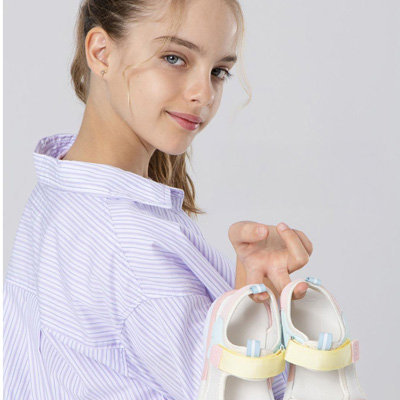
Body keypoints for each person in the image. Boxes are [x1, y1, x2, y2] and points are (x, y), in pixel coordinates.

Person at [4, 0, 313, 399]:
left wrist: (248, 299)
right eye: (174, 58)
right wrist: (269, 309)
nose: (204, 94)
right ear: (101, 52)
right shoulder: (131, 243)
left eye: (218, 71)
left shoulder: (60, 187)